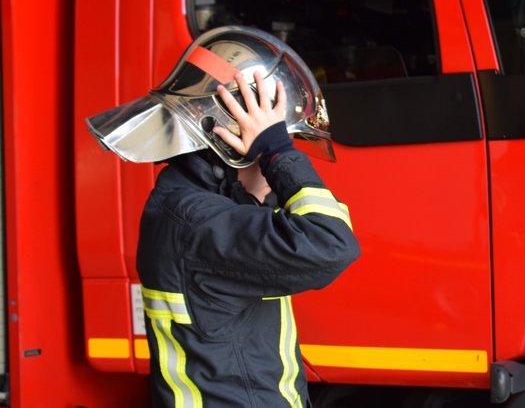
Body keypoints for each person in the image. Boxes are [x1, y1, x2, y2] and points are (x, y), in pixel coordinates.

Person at [86, 26, 360, 407]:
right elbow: (330, 243)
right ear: (234, 148)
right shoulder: (199, 223)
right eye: (267, 151)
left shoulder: (196, 208)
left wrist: (270, 152)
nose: (273, 177)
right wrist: (278, 153)